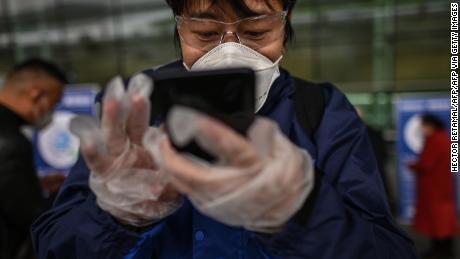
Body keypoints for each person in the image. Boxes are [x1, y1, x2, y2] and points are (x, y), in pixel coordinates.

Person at [32, 1, 417, 258]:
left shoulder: (320, 111)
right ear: (179, 29)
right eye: (204, 34)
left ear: (286, 25)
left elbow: (388, 249)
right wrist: (116, 216)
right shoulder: (135, 110)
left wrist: (302, 212)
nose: (231, 52)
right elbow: (53, 244)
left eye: (256, 33)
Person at [0, 58, 66, 259]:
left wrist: (36, 185)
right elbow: (28, 214)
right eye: (53, 104)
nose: (51, 112)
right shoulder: (11, 141)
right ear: (36, 94)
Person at [409, 114, 457, 259]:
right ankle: (444, 250)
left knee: (436, 222)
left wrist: (412, 165)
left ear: (430, 125)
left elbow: (426, 164)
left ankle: (439, 252)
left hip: (433, 188)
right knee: (445, 222)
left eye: (424, 125)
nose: (422, 129)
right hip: (444, 187)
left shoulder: (434, 141)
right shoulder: (446, 139)